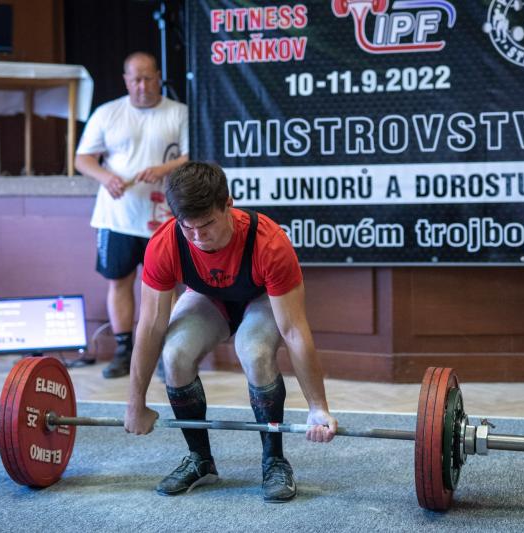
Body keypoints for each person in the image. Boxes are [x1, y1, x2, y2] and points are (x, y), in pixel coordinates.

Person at [124, 161, 338, 503]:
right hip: (208, 299)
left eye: (207, 224)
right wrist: (136, 403)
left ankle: (274, 460)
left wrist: (318, 407)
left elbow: (294, 331)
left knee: (254, 351)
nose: (198, 237)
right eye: (188, 227)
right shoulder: (165, 243)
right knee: (174, 354)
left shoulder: (269, 243)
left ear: (228, 204)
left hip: (260, 299)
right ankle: (200, 460)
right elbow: (150, 327)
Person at [75, 51, 188, 379]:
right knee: (119, 282)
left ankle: (169, 352)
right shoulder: (107, 113)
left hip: (164, 217)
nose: (142, 85)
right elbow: (83, 158)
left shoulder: (179, 113)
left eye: (148, 78)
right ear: (126, 80)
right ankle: (124, 351)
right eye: (135, 79)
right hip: (117, 217)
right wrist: (105, 177)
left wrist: (163, 169)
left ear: (158, 77)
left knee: (169, 286)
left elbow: (191, 155)